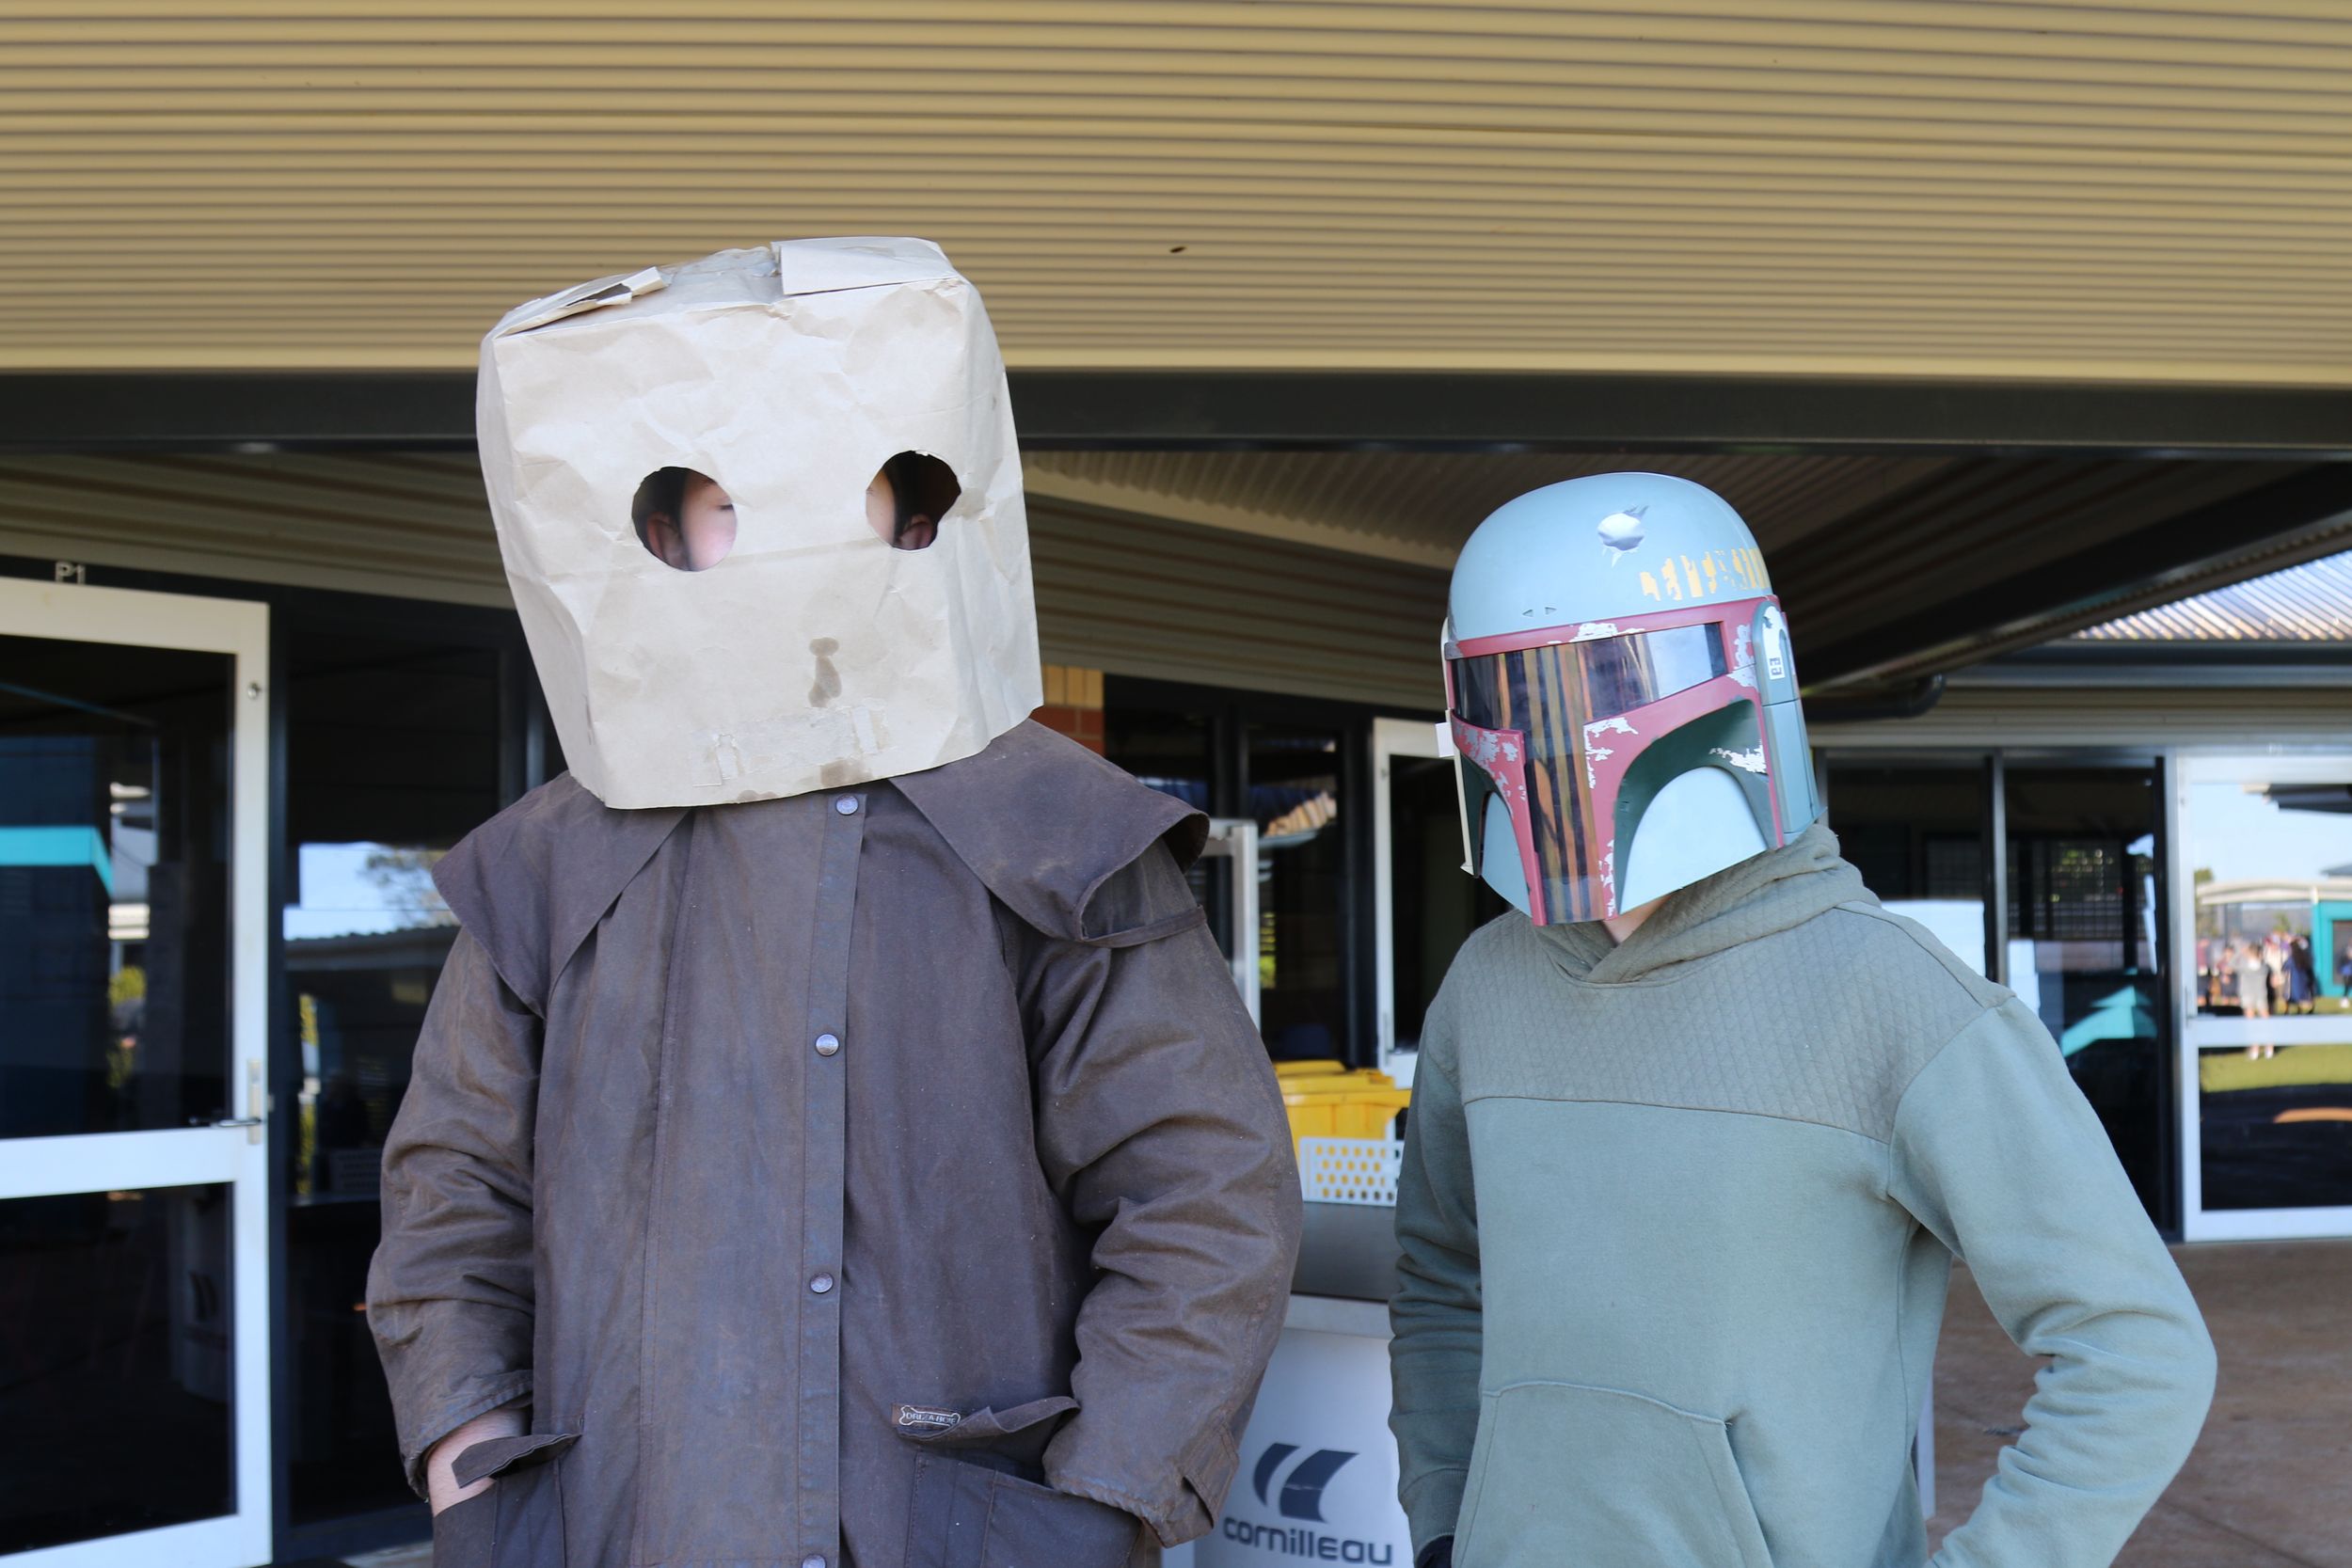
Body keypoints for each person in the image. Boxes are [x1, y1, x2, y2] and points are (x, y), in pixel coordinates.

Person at [370, 239, 1302, 1568]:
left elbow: (1201, 1190)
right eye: (726, 501)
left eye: (825, 490)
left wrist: (1101, 1501)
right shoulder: (543, 864)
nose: (775, 544)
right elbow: (452, 1190)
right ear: (655, 531)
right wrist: (470, 1463)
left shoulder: (1054, 833)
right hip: (613, 1529)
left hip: (962, 1535)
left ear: (915, 511)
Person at [1389, 474, 2215, 1568]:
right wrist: (1447, 1522)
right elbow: (1439, 1279)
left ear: (1747, 670)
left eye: (1615, 677)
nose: (1565, 733)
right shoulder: (1485, 984)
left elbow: (2136, 1348)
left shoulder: (1897, 999)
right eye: (1518, 691)